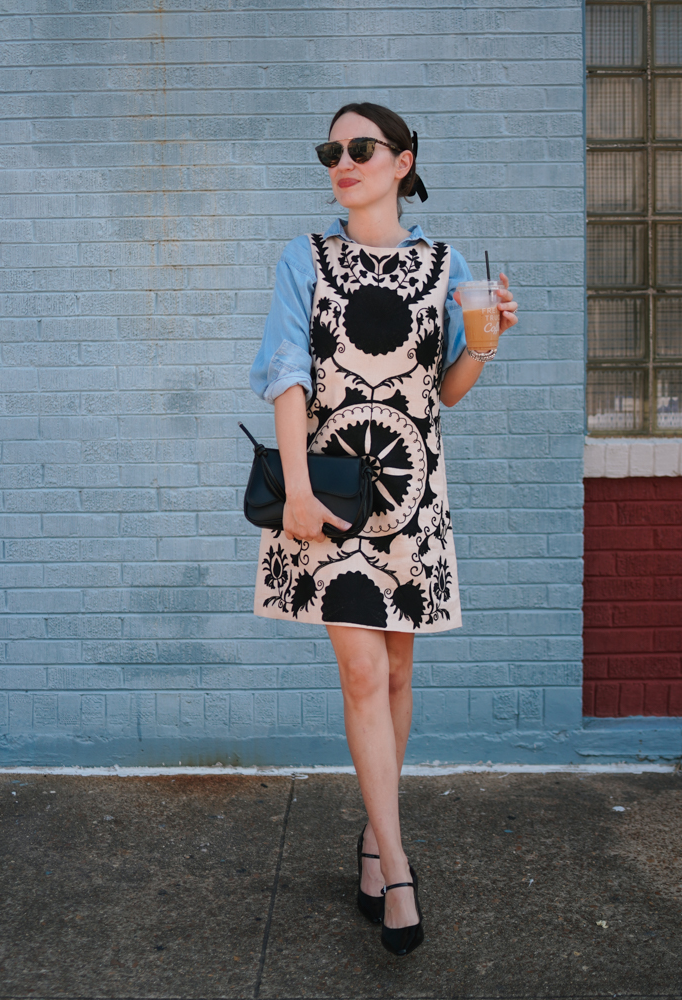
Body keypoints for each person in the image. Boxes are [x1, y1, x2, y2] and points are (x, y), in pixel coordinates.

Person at [249, 102, 518, 956]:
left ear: (403, 161)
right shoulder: (306, 257)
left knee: (398, 673)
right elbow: (286, 373)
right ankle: (397, 865)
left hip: (411, 493)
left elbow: (446, 391)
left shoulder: (444, 262)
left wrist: (487, 343)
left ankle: (372, 833)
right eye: (332, 149)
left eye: (360, 147)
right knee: (363, 674)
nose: (343, 160)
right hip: (327, 495)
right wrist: (295, 488)